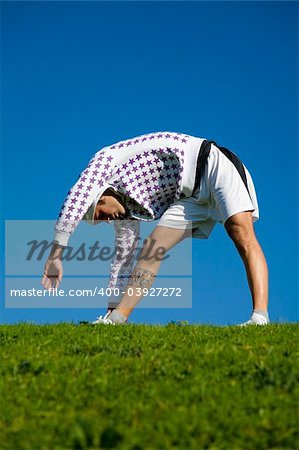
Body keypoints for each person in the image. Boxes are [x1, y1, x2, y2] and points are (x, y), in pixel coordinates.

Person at [41, 131, 269, 326]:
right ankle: (116, 320)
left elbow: (76, 195)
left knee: (241, 233)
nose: (108, 220)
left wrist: (56, 254)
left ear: (100, 197)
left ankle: (259, 317)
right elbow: (122, 260)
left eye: (101, 215)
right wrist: (111, 307)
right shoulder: (126, 210)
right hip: (190, 197)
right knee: (152, 249)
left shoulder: (104, 161)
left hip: (213, 166)